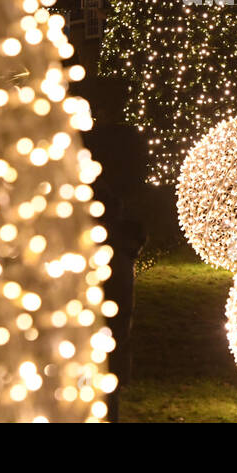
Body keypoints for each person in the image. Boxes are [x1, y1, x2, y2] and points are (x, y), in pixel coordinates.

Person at [79, 77, 147, 423]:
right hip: (114, 248)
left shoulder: (85, 146)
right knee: (113, 332)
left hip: (100, 249)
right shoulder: (129, 141)